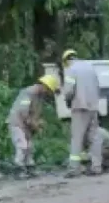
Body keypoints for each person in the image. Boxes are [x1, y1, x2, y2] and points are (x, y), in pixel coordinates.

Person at [61, 49, 103, 178]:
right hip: (93, 106)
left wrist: (67, 101)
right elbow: (98, 86)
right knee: (94, 137)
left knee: (77, 138)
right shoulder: (90, 67)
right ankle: (96, 167)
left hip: (79, 107)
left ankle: (74, 168)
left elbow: (68, 91)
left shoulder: (71, 69)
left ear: (66, 61)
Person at [6, 75, 60, 175]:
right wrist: (33, 123)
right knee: (22, 145)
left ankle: (29, 166)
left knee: (29, 147)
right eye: (49, 91)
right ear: (44, 86)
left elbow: (35, 112)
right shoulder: (28, 93)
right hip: (17, 123)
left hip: (26, 125)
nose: (49, 94)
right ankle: (18, 168)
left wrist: (38, 123)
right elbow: (23, 112)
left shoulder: (39, 97)